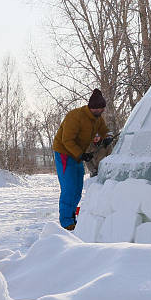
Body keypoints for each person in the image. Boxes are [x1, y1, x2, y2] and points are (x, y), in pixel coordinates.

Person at [53, 89, 110, 230]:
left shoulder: (97, 119)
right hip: (65, 153)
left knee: (78, 187)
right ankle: (66, 223)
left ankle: (72, 218)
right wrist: (81, 155)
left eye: (102, 110)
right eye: (98, 110)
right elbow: (67, 140)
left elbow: (104, 130)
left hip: (78, 154)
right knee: (69, 187)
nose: (100, 113)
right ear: (92, 108)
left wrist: (107, 137)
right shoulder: (75, 116)